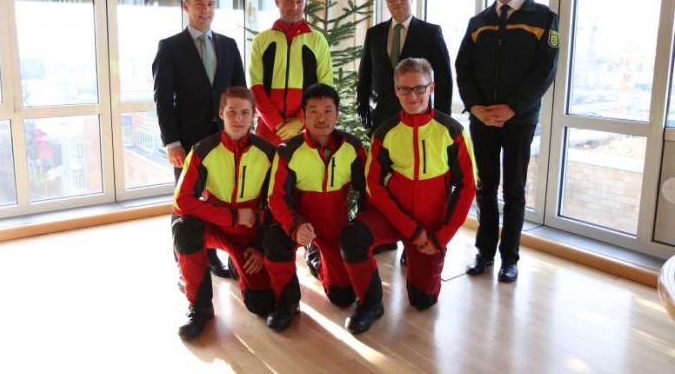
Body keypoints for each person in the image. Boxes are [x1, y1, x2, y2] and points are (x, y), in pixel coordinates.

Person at [341, 58, 476, 334]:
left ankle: (417, 266)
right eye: (405, 89)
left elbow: (467, 188)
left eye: (419, 88)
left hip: (431, 229)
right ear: (395, 90)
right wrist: (410, 229)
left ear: (432, 88)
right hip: (393, 219)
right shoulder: (385, 133)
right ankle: (370, 304)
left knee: (423, 301)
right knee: (353, 237)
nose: (412, 96)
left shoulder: (452, 133)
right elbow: (374, 185)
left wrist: (442, 236)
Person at [456, 0, 559, 283]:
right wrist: (475, 108)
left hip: (520, 120)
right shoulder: (478, 22)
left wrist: (512, 107)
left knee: (513, 190)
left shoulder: (544, 18)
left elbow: (545, 71)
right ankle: (484, 253)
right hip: (482, 121)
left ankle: (509, 259)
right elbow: (463, 68)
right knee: (486, 188)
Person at [153, 0, 246, 278]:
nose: (205, 9)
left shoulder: (229, 45)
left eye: (211, 3)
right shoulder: (169, 48)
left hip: (224, 140)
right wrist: (172, 143)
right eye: (199, 3)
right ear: (186, 6)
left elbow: (240, 93)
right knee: (185, 202)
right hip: (188, 143)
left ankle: (213, 256)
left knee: (217, 199)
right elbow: (163, 100)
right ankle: (185, 265)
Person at [356, 0, 453, 261]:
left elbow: (444, 79)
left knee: (414, 183)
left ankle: (414, 243)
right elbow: (366, 73)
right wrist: (363, 105)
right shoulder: (375, 33)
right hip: (384, 121)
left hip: (420, 121)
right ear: (385, 1)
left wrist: (442, 120)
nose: (397, 2)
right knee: (385, 179)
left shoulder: (430, 32)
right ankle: (388, 236)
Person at [172, 87, 276, 340]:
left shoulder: (269, 153)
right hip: (216, 227)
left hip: (249, 235)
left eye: (244, 113)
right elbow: (181, 202)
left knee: (262, 305)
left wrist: (262, 247)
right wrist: (232, 216)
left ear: (254, 116)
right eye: (232, 112)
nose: (238, 119)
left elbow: (278, 205)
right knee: (184, 228)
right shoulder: (202, 150)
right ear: (221, 113)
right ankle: (199, 307)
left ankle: (237, 263)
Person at [262, 83, 366, 331]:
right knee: (274, 239)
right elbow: (275, 197)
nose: (321, 119)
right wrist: (295, 225)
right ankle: (287, 303)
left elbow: (367, 192)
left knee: (343, 297)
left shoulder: (353, 148)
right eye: (313, 112)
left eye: (328, 111)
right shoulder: (289, 150)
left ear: (337, 114)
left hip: (335, 227)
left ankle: (316, 258)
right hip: (300, 223)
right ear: (304, 116)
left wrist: (360, 224)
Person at [249, 0, 333, 146]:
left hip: (307, 128)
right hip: (268, 129)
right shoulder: (261, 41)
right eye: (288, 1)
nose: (294, 7)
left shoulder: (318, 40)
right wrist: (277, 125)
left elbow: (326, 88)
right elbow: (255, 88)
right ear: (277, 2)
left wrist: (300, 121)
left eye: (299, 1)